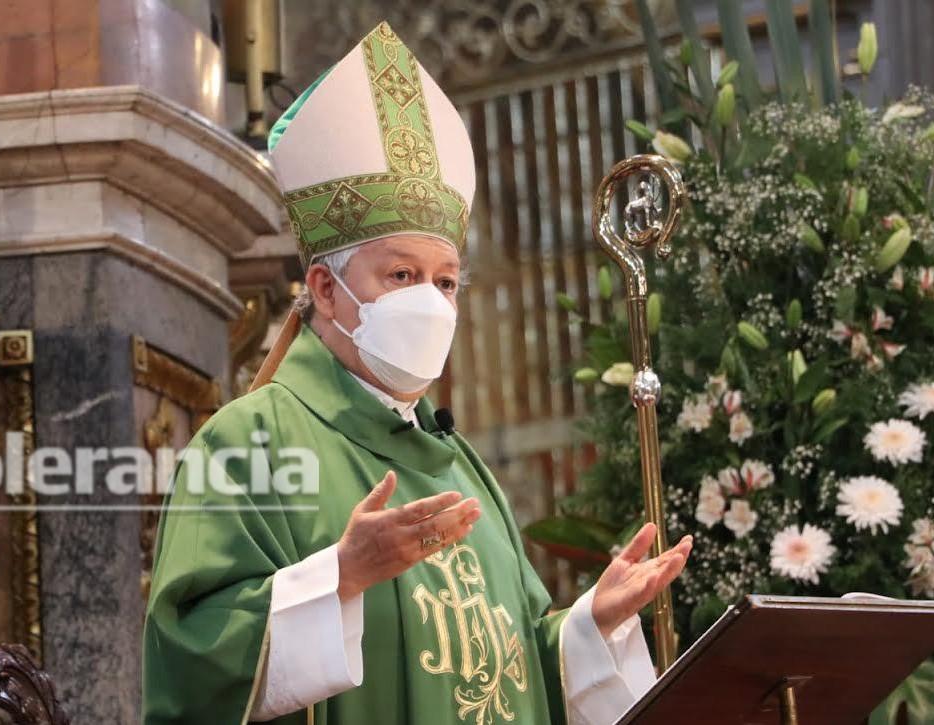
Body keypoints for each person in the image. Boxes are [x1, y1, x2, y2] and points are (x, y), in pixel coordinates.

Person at [142, 21, 693, 725]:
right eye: (401, 274)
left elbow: (512, 663)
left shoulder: (458, 464)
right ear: (326, 287)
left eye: (445, 281)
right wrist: (338, 576)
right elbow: (189, 657)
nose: (428, 302)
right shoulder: (245, 443)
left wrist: (588, 627)